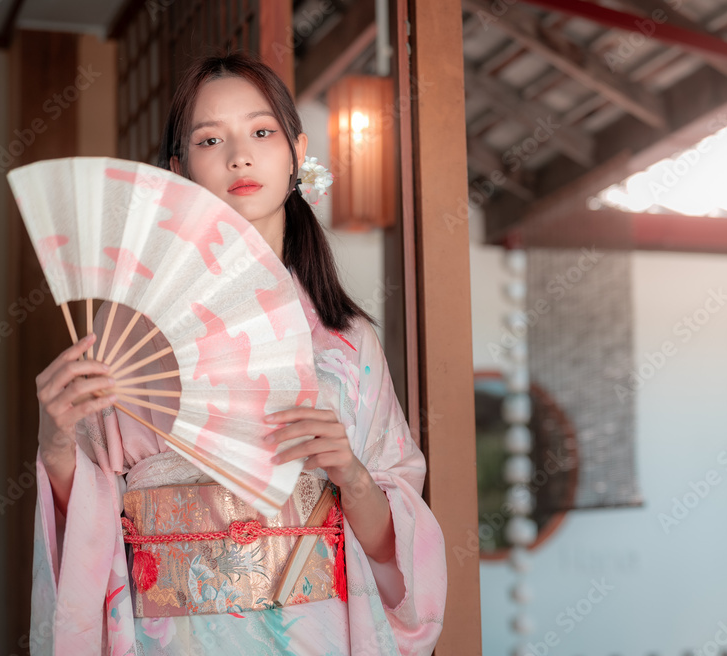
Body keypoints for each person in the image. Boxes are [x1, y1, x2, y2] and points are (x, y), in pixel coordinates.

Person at [30, 50, 447, 655]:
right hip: (172, 638)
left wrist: (351, 476)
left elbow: (396, 554)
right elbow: (88, 519)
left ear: (297, 153)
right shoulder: (128, 329)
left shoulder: (347, 339)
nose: (239, 156)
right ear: (179, 167)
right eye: (209, 139)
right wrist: (56, 442)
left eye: (261, 131)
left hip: (316, 633)